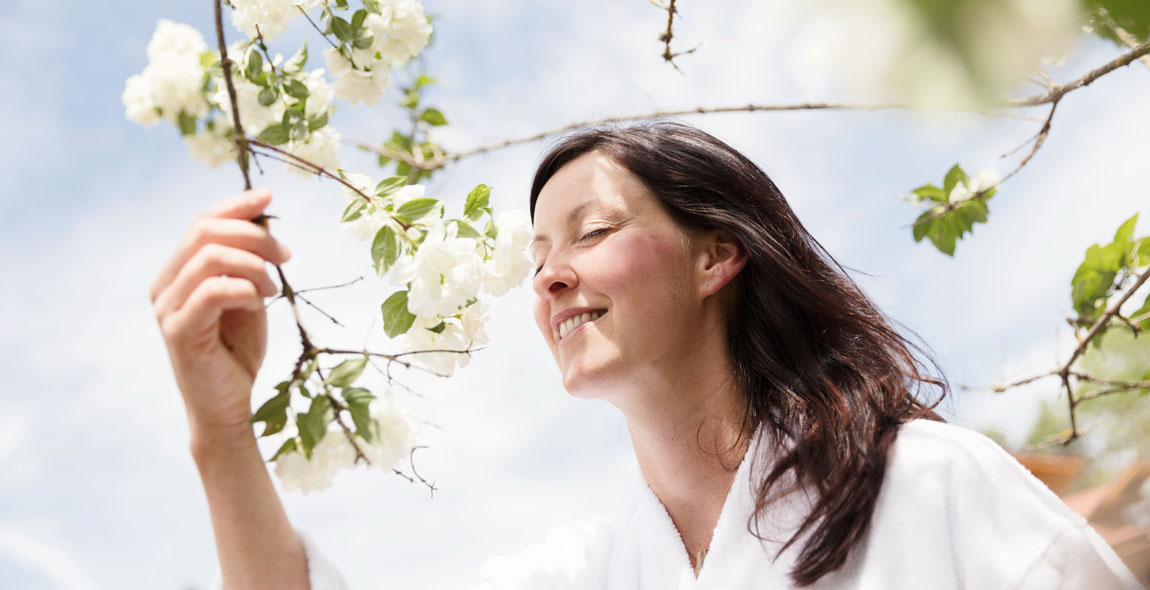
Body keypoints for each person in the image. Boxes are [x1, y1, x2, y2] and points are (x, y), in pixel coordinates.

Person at [151, 120, 1141, 589]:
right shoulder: (589, 572)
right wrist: (219, 428)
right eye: (538, 254)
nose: (548, 277)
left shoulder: (928, 485)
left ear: (718, 252)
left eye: (589, 231)